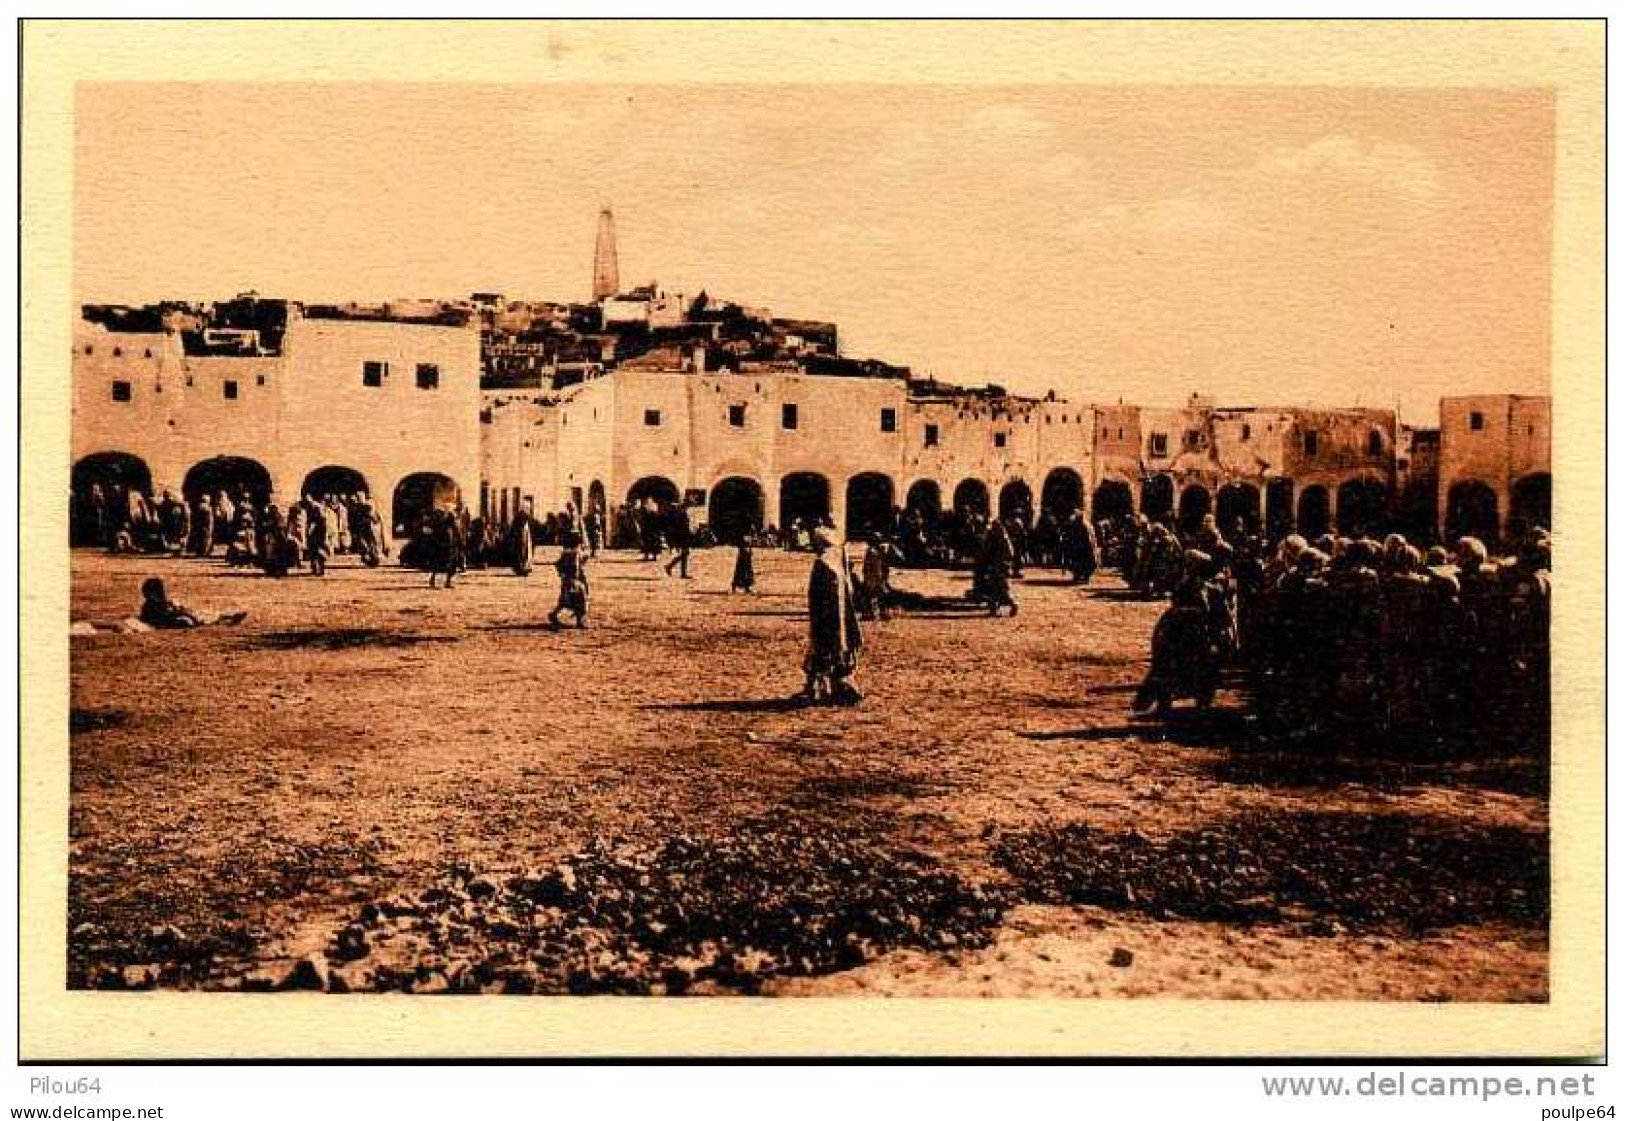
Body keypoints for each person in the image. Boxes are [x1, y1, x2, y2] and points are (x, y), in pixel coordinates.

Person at [803, 526, 863, 705]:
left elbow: (818, 595)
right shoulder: (837, 561)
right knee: (838, 653)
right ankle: (838, 689)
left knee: (822, 653)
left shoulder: (823, 563)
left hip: (827, 618)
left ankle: (820, 690)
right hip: (841, 619)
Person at [138, 576, 247, 629]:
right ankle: (227, 618)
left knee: (205, 615)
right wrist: (176, 609)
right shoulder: (151, 606)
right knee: (203, 618)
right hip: (176, 619)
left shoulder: (153, 604)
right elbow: (161, 617)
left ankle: (227, 617)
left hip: (180, 616)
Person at [548, 534, 591, 629]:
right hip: (576, 581)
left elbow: (557, 564)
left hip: (567, 581)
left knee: (563, 600)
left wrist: (562, 575)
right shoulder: (576, 553)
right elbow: (577, 566)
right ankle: (580, 620)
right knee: (581, 600)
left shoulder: (565, 553)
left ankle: (553, 614)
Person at [663, 501, 693, 578]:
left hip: (682, 536)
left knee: (685, 554)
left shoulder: (680, 513)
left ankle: (674, 569)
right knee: (685, 553)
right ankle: (671, 567)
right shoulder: (681, 514)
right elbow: (681, 526)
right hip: (682, 536)